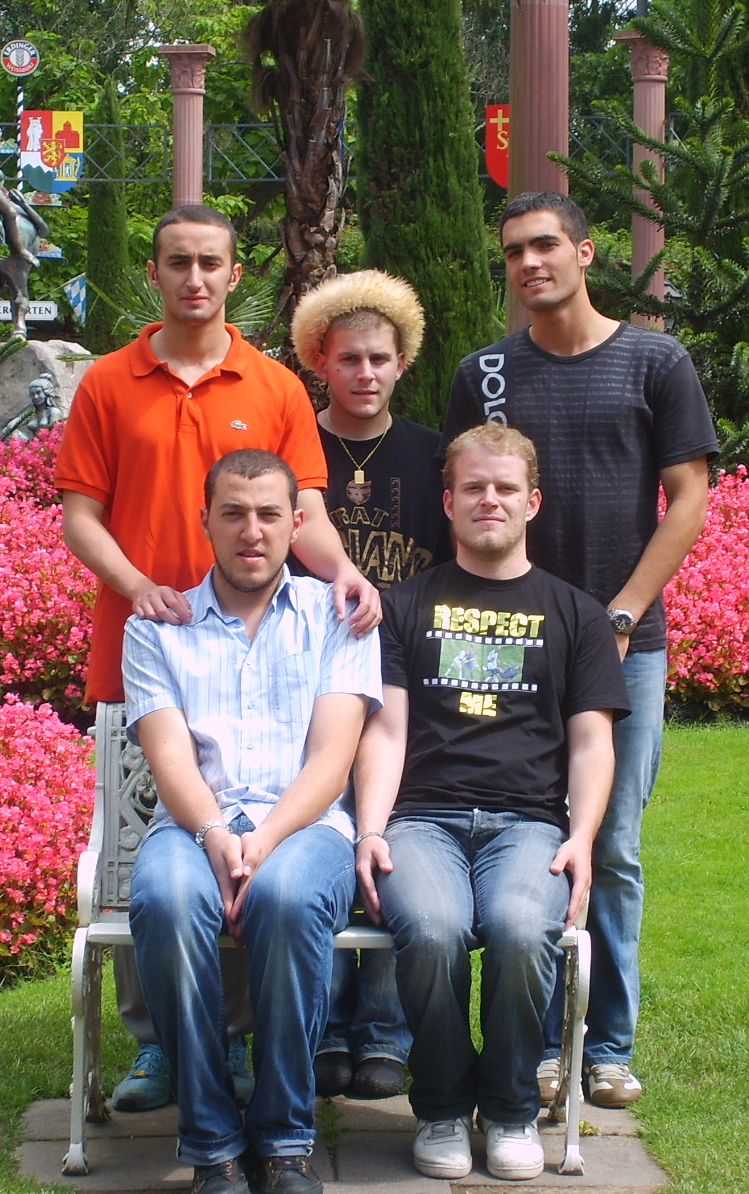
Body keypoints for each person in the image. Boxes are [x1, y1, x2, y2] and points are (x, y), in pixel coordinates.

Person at [56, 204, 381, 1113]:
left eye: (211, 263)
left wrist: (346, 574)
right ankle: (157, 1043)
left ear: (235, 275)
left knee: (246, 839)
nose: (194, 278)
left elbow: (302, 512)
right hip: (153, 641)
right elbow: (81, 514)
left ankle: (233, 1040)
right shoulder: (108, 383)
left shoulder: (273, 386)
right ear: (154, 273)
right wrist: (139, 585)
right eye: (178, 262)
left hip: (266, 640)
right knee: (151, 846)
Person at [442, 190, 718, 1110]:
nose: (529, 264)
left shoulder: (654, 361)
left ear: (586, 252)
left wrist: (624, 614)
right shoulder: (485, 374)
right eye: (513, 252)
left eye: (545, 245)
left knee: (614, 845)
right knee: (523, 836)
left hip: (624, 644)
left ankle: (607, 1044)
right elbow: (464, 507)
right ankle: (537, 1044)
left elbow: (688, 497)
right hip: (508, 645)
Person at [353, 424, 627, 1181]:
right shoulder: (402, 606)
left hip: (530, 824)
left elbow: (592, 744)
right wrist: (372, 829)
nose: (490, 500)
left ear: (532, 502)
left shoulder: (578, 615)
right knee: (433, 929)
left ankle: (509, 1108)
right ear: (448, 502)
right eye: (473, 487)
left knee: (518, 928)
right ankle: (442, 1105)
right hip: (422, 821)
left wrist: (582, 837)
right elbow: (385, 731)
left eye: (506, 488)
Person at [124, 449, 381, 1194]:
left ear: (297, 524)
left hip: (306, 826)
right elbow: (170, 757)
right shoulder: (157, 628)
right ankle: (212, 1145)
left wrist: (262, 842)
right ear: (204, 519)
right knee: (166, 900)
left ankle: (283, 1140)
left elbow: (332, 761)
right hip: (193, 824)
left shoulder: (338, 617)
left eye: (269, 514)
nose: (251, 530)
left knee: (289, 898)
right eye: (233, 513)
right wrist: (216, 836)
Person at [288, 270, 453, 1100]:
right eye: (348, 357)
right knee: (319, 834)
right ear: (320, 360)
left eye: (379, 358)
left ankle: (384, 1028)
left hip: (406, 676)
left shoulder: (432, 453)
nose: (364, 373)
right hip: (307, 676)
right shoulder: (296, 448)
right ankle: (321, 1024)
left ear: (402, 362)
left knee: (390, 835)